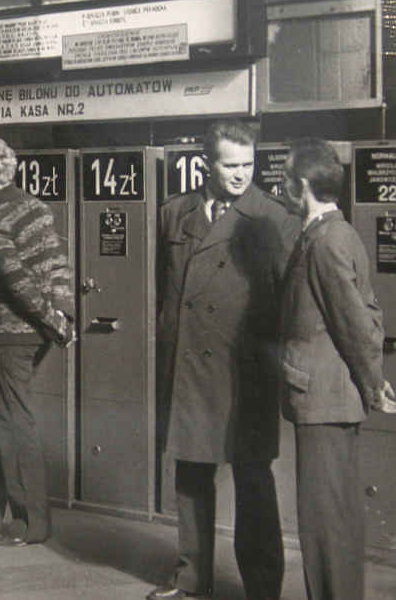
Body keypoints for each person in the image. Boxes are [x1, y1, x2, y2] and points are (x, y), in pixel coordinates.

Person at [150, 121, 299, 599]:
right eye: (229, 165)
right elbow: (165, 290)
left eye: (248, 164)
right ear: (206, 162)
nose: (240, 175)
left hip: (244, 371)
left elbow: (287, 299)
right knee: (190, 474)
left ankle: (262, 585)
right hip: (190, 366)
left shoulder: (272, 217)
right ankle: (192, 576)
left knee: (254, 480)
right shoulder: (175, 213)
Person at [279, 138, 395, 600]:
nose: (282, 184)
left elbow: (355, 325)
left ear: (302, 185)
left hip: (325, 401)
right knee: (333, 516)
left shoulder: (325, 242)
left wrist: (374, 386)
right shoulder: (329, 233)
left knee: (325, 519)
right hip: (327, 399)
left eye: (287, 176)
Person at [0, 133, 74, 547]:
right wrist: (62, 314)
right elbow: (57, 263)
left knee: (13, 419)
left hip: (11, 332)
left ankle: (29, 522)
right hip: (37, 330)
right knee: (5, 410)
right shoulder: (34, 206)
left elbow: (15, 278)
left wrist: (47, 317)